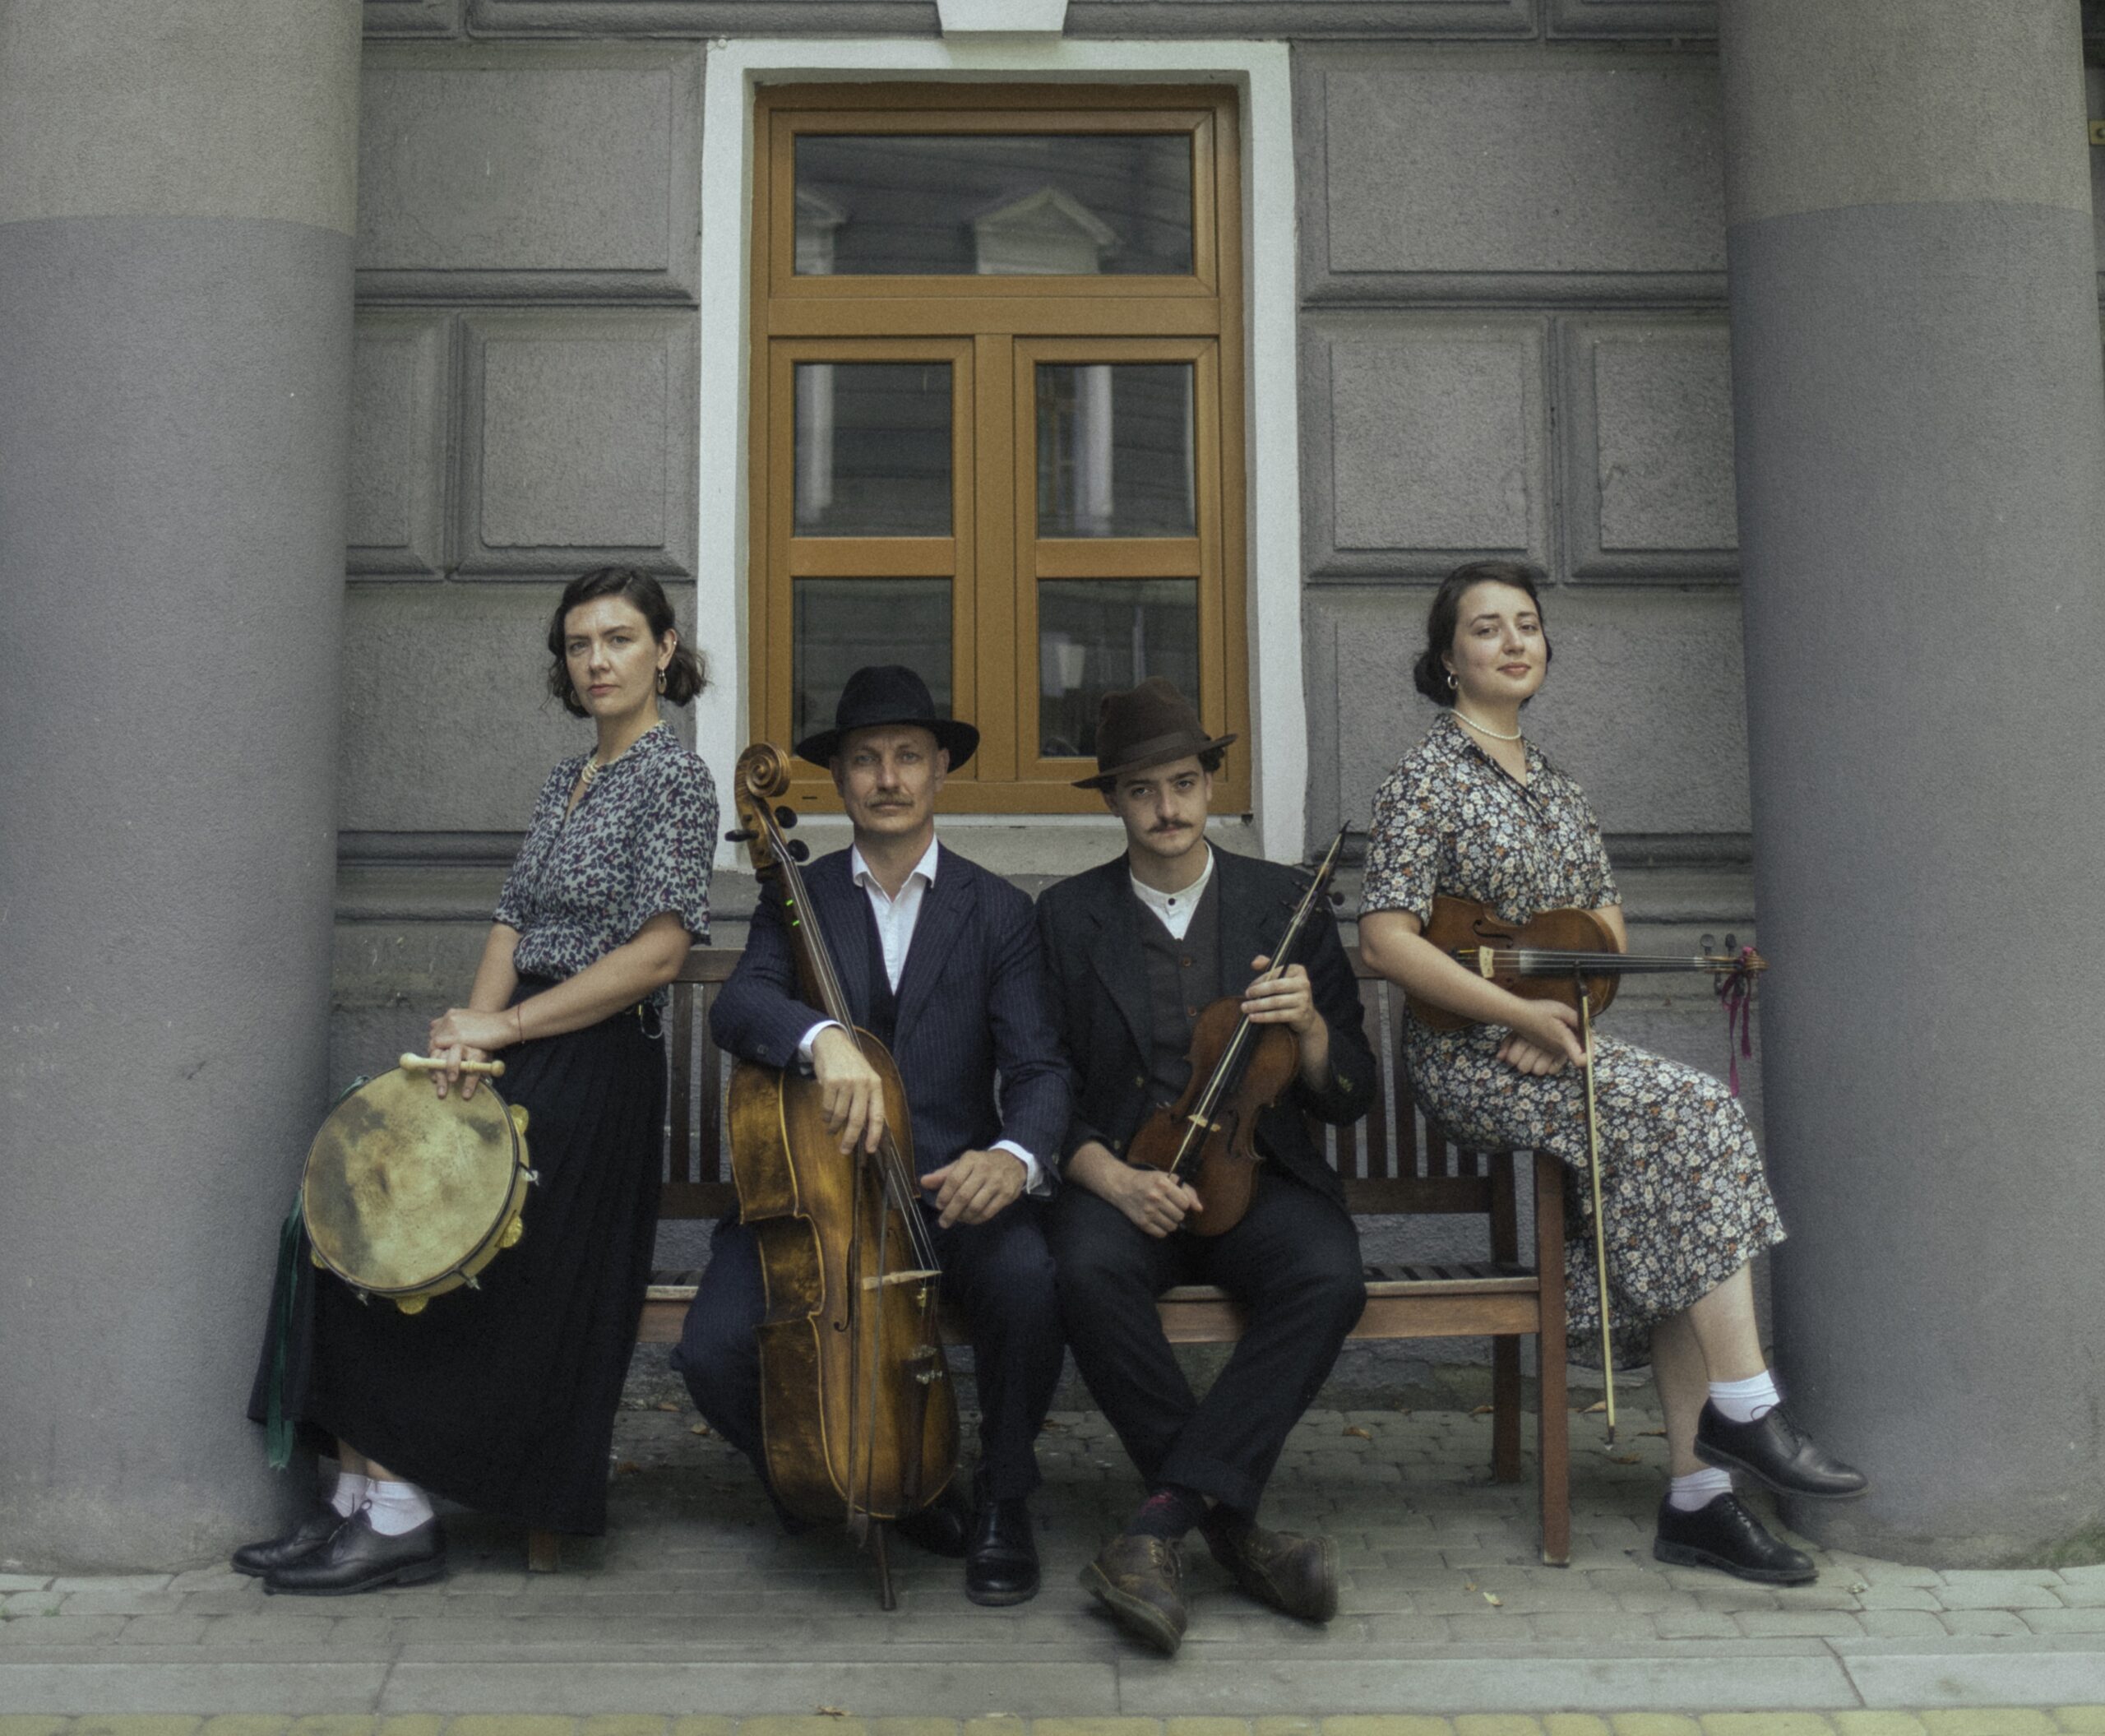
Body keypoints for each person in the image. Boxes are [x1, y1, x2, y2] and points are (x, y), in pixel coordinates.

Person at [1356, 559, 1867, 1586]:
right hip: (1466, 1055)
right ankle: (1748, 1409)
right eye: (1487, 627)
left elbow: (1605, 932)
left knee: (1683, 1160)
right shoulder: (1424, 776)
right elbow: (1385, 943)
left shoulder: (1560, 790)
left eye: (1528, 625)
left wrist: (1563, 1015)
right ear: (1446, 658)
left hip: (1551, 1044)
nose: (1513, 641)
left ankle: (1698, 1496)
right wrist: (1517, 1011)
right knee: (1693, 1107)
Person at [237, 567, 718, 1594]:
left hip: (594, 1066)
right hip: (524, 1049)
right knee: (358, 1211)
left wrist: (506, 1025)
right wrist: (466, 1040)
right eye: (580, 642)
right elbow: (512, 920)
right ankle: (356, 1503)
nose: (597, 659)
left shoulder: (676, 780)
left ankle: (403, 1514)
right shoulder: (565, 778)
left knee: (423, 1242)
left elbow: (660, 952)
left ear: (665, 652)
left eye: (621, 638)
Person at [673, 664, 1071, 1605]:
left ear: (939, 771)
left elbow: (1043, 1068)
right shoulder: (797, 896)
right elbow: (742, 1004)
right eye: (864, 760)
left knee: (1028, 1283)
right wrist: (822, 1040)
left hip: (944, 1188)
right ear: (840, 779)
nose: (886, 778)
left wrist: (1012, 1158)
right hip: (820, 1198)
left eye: (905, 757)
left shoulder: (998, 910)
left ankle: (1003, 1498)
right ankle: (849, 1481)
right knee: (713, 1350)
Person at [1035, 679, 1375, 1655]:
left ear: (1212, 784)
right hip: (1124, 1176)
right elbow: (1037, 1074)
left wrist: (1310, 1027)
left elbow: (1350, 1089)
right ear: (1113, 801)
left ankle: (1160, 1524)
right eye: (1142, 790)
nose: (1168, 808)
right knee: (1083, 1270)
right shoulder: (1065, 916)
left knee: (1328, 1274)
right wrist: (1101, 1172)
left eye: (1184, 782)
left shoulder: (1282, 904)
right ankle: (1238, 1532)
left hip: (1256, 1172)